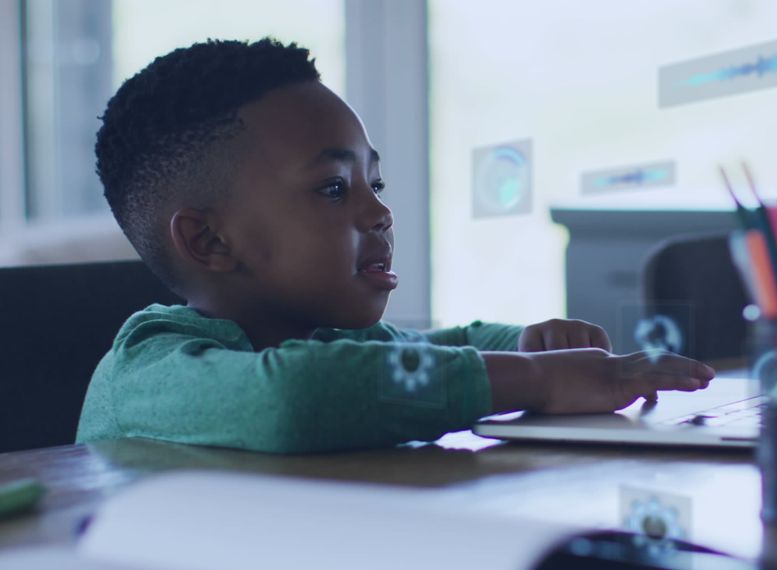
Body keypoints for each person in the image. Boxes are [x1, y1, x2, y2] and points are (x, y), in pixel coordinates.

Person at [76, 38, 714, 453]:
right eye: (332, 187)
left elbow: (429, 348)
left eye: (373, 182)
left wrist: (527, 344)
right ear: (210, 239)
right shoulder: (147, 368)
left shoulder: (326, 339)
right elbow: (296, 398)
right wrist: (539, 379)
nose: (379, 211)